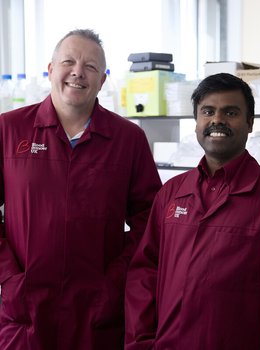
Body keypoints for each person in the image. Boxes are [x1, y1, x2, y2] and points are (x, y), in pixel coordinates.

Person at [0, 29, 162, 350]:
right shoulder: (8, 130)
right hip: (25, 311)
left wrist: (116, 278)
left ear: (102, 80)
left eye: (90, 66)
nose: (78, 71)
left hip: (97, 311)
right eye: (69, 61)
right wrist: (9, 276)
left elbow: (151, 219)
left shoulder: (127, 140)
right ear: (50, 70)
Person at [125, 73, 260, 350]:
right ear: (196, 122)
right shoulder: (171, 194)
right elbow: (144, 275)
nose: (217, 120)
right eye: (207, 111)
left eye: (231, 112)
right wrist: (140, 342)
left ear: (250, 123)